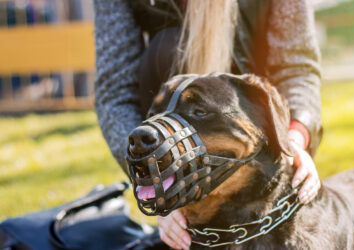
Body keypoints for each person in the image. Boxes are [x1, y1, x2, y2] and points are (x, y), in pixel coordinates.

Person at [94, 0, 323, 249]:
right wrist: (160, 183)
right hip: (168, 115)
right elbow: (116, 93)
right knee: (166, 47)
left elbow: (297, 67)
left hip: (252, 111)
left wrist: (293, 136)